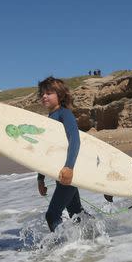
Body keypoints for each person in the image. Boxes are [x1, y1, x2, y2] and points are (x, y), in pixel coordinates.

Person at [36, 76, 85, 232]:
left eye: (49, 93)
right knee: (76, 214)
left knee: (52, 216)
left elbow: (75, 140)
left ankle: (61, 249)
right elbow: (46, 151)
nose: (44, 96)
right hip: (60, 175)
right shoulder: (50, 118)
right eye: (42, 93)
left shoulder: (65, 114)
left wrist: (69, 167)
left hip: (67, 175)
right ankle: (95, 240)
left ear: (60, 95)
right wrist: (40, 178)